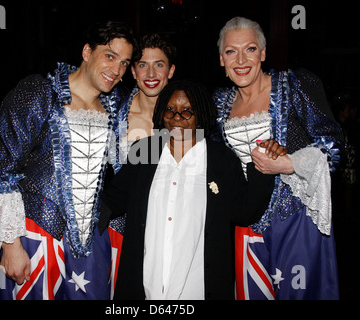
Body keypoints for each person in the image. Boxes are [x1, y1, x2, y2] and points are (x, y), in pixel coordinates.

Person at [0, 20, 137, 300]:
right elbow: (4, 172)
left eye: (124, 63)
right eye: (109, 56)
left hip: (92, 240)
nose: (116, 70)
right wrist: (11, 245)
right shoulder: (39, 93)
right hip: (37, 233)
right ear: (87, 51)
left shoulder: (118, 108)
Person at [99, 79, 278, 300]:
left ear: (200, 114)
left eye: (187, 112)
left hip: (199, 288)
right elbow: (114, 198)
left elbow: (244, 212)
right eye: (170, 110)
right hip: (145, 285)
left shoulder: (220, 158)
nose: (176, 118)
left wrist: (264, 164)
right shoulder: (145, 150)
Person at [213, 17, 345, 300]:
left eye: (249, 49)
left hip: (295, 221)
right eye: (230, 51)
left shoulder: (295, 86)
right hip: (244, 226)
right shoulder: (218, 104)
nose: (240, 60)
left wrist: (288, 163)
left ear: (262, 53)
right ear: (221, 60)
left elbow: (334, 147)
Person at [107, 32, 176, 296]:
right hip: (120, 230)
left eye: (159, 64)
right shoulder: (113, 113)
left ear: (170, 70)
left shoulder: (186, 116)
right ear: (133, 71)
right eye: (142, 65)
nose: (151, 72)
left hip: (170, 230)